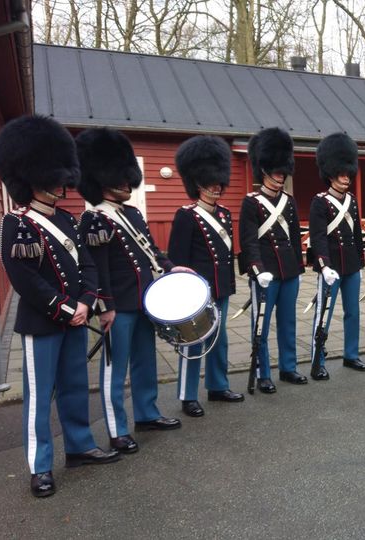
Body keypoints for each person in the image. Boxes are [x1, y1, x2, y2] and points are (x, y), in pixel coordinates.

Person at [0, 115, 121, 498]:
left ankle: (80, 446)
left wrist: (86, 302)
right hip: (43, 322)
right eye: (53, 178)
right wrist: (68, 308)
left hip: (75, 318)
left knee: (75, 386)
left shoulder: (67, 219)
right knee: (39, 395)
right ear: (33, 177)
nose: (60, 185)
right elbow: (25, 280)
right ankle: (40, 465)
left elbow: (86, 265)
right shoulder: (16, 224)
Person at [77, 128, 187, 455]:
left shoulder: (134, 214)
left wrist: (171, 267)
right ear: (103, 179)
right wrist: (105, 307)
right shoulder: (95, 219)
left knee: (145, 361)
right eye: (122, 179)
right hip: (117, 306)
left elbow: (150, 249)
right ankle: (116, 429)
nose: (128, 183)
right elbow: (95, 270)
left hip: (143, 301)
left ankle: (147, 412)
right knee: (114, 368)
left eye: (129, 178)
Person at [168, 135, 243, 417]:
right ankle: (188, 396)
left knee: (219, 338)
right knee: (194, 341)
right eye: (210, 182)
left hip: (220, 286)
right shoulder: (186, 215)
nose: (216, 187)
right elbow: (177, 258)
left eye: (218, 182)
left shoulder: (223, 214)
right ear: (197, 183)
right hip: (196, 291)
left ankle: (217, 385)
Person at [240, 127, 306, 390]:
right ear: (264, 171)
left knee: (288, 322)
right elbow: (248, 240)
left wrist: (299, 268)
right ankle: (263, 372)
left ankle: (288, 367)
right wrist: (256, 269)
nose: (280, 176)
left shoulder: (288, 202)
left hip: (289, 271)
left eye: (283, 172)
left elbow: (292, 236)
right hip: (266, 273)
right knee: (262, 326)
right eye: (276, 172)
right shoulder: (251, 202)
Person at [309, 133, 365, 377]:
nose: (345, 178)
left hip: (351, 265)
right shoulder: (319, 202)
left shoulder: (352, 200)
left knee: (353, 311)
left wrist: (360, 261)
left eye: (347, 174)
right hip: (331, 266)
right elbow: (319, 236)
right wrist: (323, 265)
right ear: (331, 174)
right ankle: (317, 358)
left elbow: (355, 234)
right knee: (324, 313)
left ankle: (351, 354)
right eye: (341, 174)